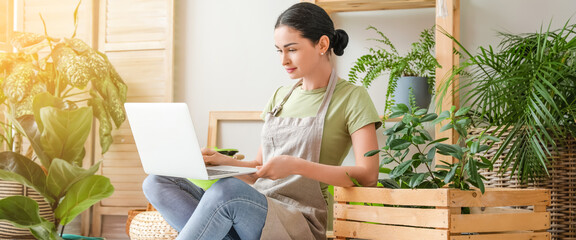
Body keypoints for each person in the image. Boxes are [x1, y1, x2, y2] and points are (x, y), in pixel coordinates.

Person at [142, 2, 382, 239]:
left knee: (228, 191)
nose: (283, 60)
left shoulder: (352, 97)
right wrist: (222, 162)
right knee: (157, 182)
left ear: (322, 44)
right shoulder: (280, 97)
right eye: (279, 50)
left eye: (292, 49)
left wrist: (297, 165)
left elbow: (368, 174)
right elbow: (259, 168)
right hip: (258, 207)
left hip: (300, 220)